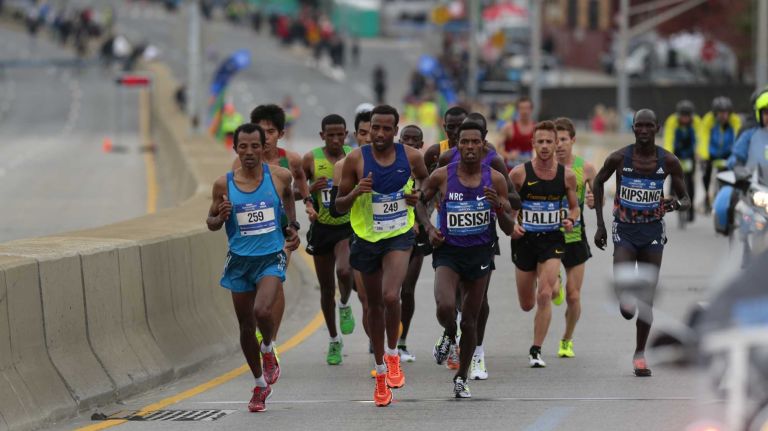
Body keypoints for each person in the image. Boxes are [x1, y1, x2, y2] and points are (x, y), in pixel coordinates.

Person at [335, 105, 429, 407]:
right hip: (364, 238)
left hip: (399, 234)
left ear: (395, 130)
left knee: (391, 296)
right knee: (373, 305)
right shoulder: (355, 159)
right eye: (375, 127)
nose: (379, 133)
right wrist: (356, 193)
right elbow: (338, 206)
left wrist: (417, 196)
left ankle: (392, 356)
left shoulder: (410, 157)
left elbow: (426, 185)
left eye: (386, 128)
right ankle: (379, 373)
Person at [206, 123, 300, 412]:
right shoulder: (224, 185)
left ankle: (268, 348)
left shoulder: (281, 176)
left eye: (254, 146)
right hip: (239, 261)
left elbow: (287, 201)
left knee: (262, 311)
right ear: (235, 149)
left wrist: (292, 228)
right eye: (243, 147)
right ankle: (260, 384)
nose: (249, 152)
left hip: (271, 256)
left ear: (264, 148)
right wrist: (219, 218)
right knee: (246, 325)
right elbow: (210, 222)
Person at [420, 121, 515, 398]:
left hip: (480, 254)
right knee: (445, 305)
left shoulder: (495, 178)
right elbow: (420, 203)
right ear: (458, 145)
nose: (470, 147)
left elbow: (509, 228)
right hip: (449, 252)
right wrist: (429, 228)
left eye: (476, 142)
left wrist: (498, 205)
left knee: (470, 321)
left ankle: (461, 377)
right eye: (465, 142)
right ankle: (449, 334)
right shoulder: (442, 175)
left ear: (484, 144)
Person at [593, 109, 691, 377]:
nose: (644, 130)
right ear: (633, 128)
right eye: (640, 126)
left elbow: (686, 200)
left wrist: (676, 203)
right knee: (625, 292)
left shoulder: (669, 161)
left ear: (657, 128)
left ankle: (640, 354)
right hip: (624, 229)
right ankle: (626, 299)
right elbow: (598, 182)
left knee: (646, 298)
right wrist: (600, 224)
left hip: (652, 233)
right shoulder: (619, 158)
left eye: (649, 126)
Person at [233, 104, 314, 343]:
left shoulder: (292, 161)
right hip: (250, 238)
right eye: (260, 130)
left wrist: (306, 208)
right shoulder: (239, 165)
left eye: (270, 131)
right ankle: (261, 330)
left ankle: (271, 341)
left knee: (275, 282)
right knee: (256, 293)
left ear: (281, 134)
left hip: (280, 233)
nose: (265, 136)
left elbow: (297, 188)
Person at [509, 120, 580, 368]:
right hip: (525, 241)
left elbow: (574, 207)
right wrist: (511, 223)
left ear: (557, 142)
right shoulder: (518, 174)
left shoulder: (567, 176)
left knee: (544, 294)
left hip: (552, 239)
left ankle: (536, 350)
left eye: (550, 141)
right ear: (533, 144)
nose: (546, 146)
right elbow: (507, 206)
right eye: (540, 141)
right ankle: (552, 284)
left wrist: (571, 218)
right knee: (527, 304)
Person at [302, 114, 356, 365]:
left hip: (346, 226)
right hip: (322, 228)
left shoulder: (353, 156)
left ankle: (344, 303)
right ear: (322, 136)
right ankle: (334, 340)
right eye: (330, 135)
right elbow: (295, 190)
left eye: (340, 134)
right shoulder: (311, 158)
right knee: (325, 289)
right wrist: (310, 194)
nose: (335, 139)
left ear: (346, 134)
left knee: (345, 271)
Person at [553, 118, 597, 358]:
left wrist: (592, 200)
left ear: (572, 141)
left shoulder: (585, 168)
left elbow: (596, 197)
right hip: (548, 237)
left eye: (563, 140)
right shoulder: (543, 167)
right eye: (555, 140)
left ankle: (567, 339)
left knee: (573, 295)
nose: (559, 145)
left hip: (575, 236)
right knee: (551, 290)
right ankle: (553, 285)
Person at [397, 125, 430, 362]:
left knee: (407, 290)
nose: (409, 142)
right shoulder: (388, 163)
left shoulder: (423, 170)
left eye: (414, 140)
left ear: (421, 145)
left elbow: (426, 200)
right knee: (387, 292)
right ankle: (383, 336)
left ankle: (402, 341)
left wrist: (420, 221)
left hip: (417, 235)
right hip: (389, 233)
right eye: (405, 138)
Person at [699, 96, 740, 213]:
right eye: (720, 113)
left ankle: (727, 198)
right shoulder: (708, 120)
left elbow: (738, 138)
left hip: (727, 153)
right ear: (715, 113)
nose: (723, 116)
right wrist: (704, 156)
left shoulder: (735, 120)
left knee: (728, 175)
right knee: (706, 173)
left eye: (726, 113)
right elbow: (703, 138)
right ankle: (707, 195)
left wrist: (736, 155)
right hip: (711, 153)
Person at [662, 100, 699, 222]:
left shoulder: (696, 123)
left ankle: (691, 208)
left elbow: (700, 140)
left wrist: (699, 153)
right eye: (682, 115)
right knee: (673, 176)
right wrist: (669, 154)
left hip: (690, 154)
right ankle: (670, 197)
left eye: (687, 116)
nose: (684, 118)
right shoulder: (672, 122)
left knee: (691, 181)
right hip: (677, 153)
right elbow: (668, 138)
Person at [728, 90, 768, 171]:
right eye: (766, 113)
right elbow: (735, 157)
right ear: (759, 114)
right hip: (755, 181)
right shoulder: (749, 135)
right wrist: (737, 166)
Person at [423, 106, 469, 172]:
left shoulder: (480, 151)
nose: (456, 132)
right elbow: (417, 180)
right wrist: (433, 173)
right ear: (445, 128)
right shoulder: (435, 152)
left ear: (469, 126)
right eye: (451, 127)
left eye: (460, 126)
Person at [498, 97, 535, 170]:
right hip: (510, 170)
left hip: (527, 170)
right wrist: (508, 155)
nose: (525, 111)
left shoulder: (536, 128)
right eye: (522, 108)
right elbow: (497, 148)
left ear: (531, 109)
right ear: (517, 110)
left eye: (527, 108)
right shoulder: (508, 127)